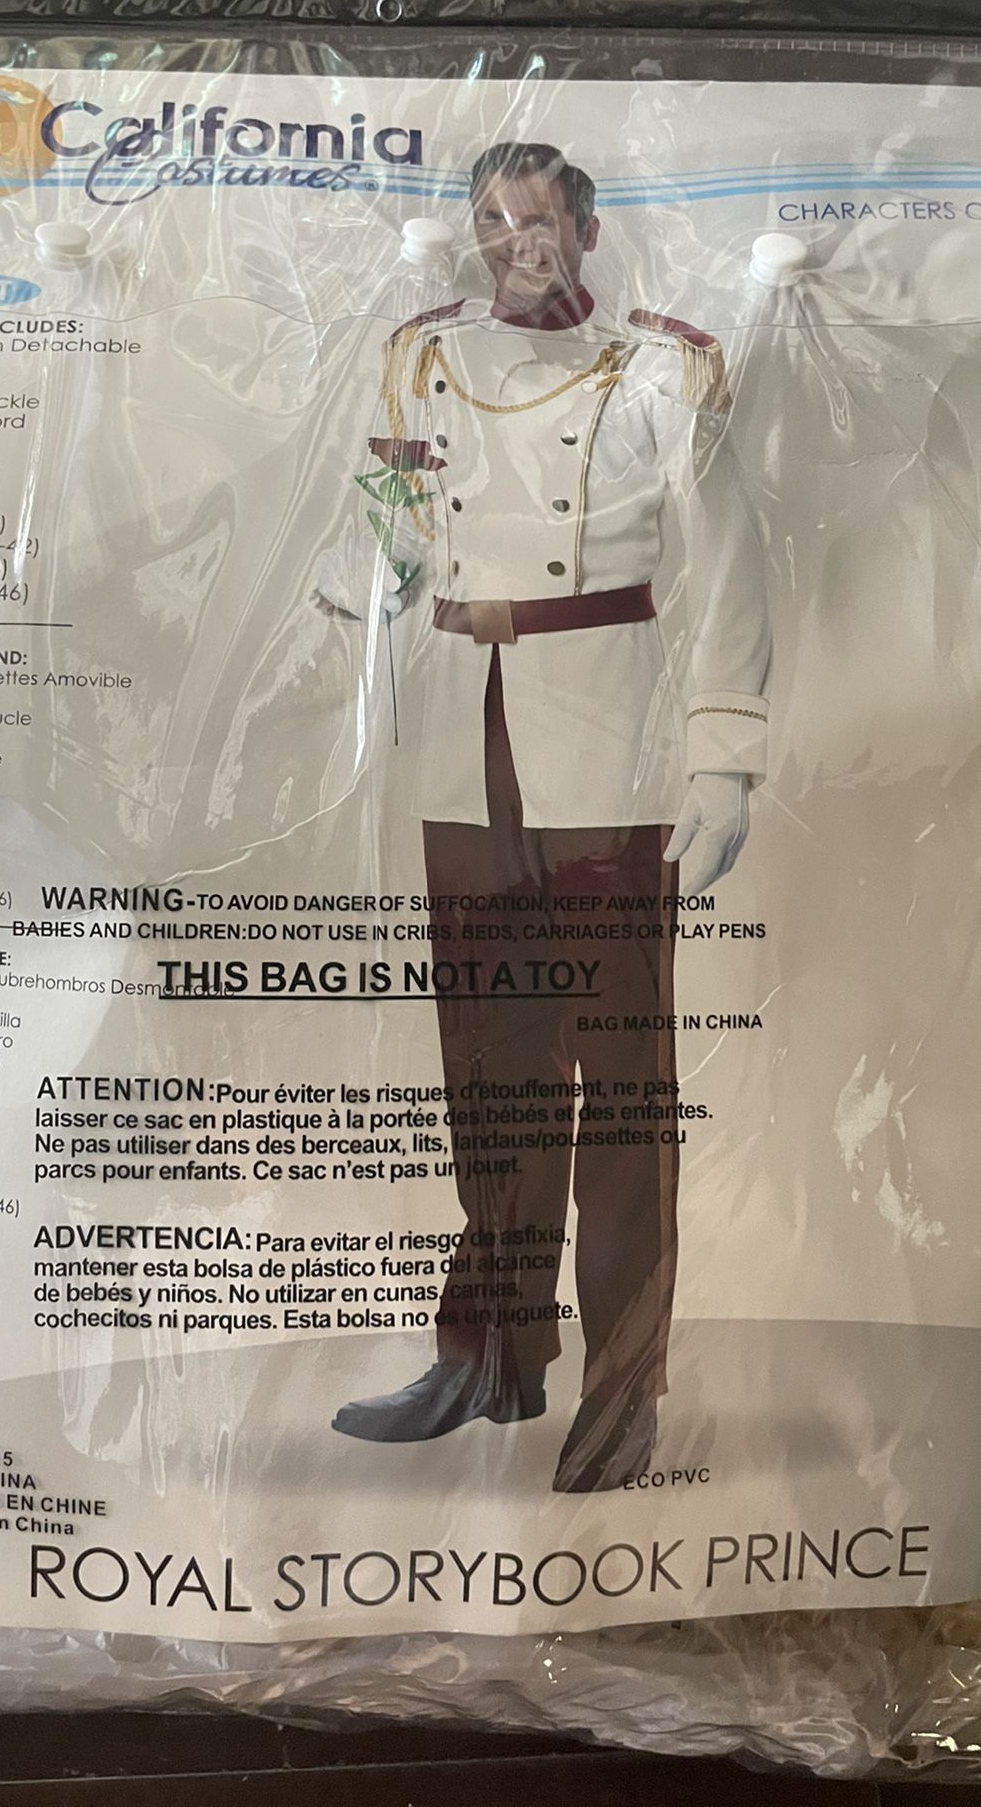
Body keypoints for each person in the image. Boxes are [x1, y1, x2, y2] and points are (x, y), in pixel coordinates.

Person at [314, 141, 771, 1492]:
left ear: (587, 228)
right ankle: (490, 1357)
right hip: (464, 733)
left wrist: (724, 756)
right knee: (489, 1069)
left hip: (603, 735)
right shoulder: (422, 357)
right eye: (495, 219)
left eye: (541, 218)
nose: (519, 240)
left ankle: (624, 1392)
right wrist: (338, 623)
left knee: (620, 1084)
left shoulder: (661, 367)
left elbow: (730, 564)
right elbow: (396, 521)